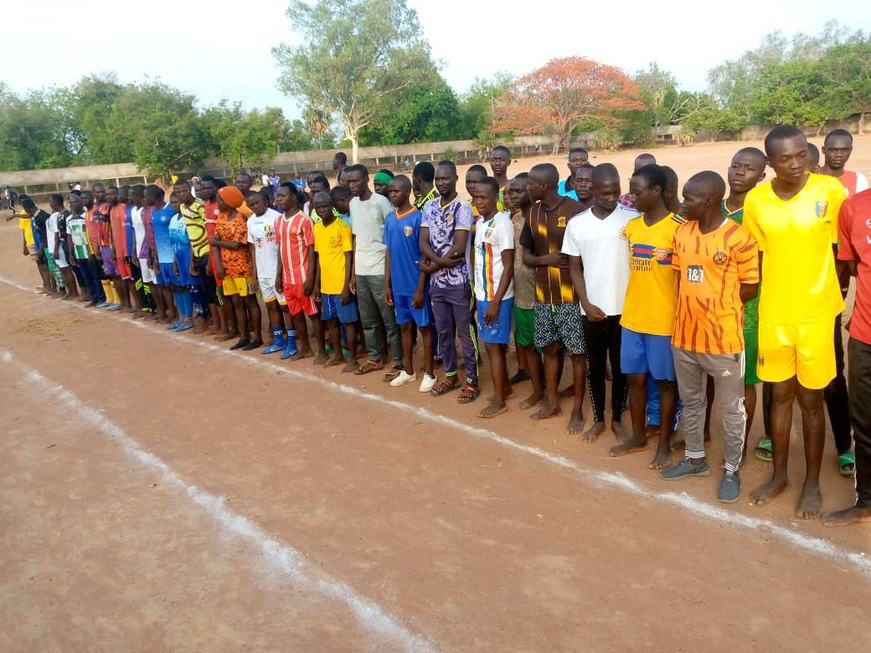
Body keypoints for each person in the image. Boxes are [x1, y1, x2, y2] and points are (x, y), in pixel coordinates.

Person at [743, 125, 847, 520]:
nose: (795, 164)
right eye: (785, 158)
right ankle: (780, 475)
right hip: (775, 313)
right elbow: (755, 256)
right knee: (781, 396)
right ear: (769, 163)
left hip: (817, 315)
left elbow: (843, 249)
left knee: (811, 400)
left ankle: (812, 484)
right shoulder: (756, 201)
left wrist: (827, 290)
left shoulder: (830, 193)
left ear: (809, 153)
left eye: (801, 155)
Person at [660, 171, 759, 504]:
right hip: (684, 338)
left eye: (689, 198)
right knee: (693, 402)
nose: (683, 203)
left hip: (723, 341)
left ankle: (731, 468)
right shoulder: (682, 233)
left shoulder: (739, 238)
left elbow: (749, 288)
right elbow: (680, 278)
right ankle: (695, 458)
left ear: (710, 200)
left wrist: (717, 307)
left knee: (732, 410)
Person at [611, 164, 684, 468]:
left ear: (657, 191)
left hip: (664, 322)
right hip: (633, 319)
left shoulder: (679, 228)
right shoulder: (632, 227)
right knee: (635, 379)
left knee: (666, 383)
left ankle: (664, 443)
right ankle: (639, 435)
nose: (631, 197)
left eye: (637, 191)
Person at [564, 163, 636, 442]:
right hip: (591, 311)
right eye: (605, 192)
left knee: (621, 368)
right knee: (595, 367)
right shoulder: (578, 224)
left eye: (615, 191)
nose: (611, 197)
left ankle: (617, 418)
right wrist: (586, 302)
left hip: (625, 310)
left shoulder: (632, 219)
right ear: (592, 189)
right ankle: (598, 419)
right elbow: (573, 267)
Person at [519, 163, 586, 433]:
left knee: (578, 354)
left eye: (531, 184)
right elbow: (525, 257)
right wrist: (544, 260)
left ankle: (579, 410)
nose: (527, 188)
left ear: (544, 185)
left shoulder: (576, 212)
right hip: (543, 297)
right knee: (548, 348)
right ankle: (552, 402)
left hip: (571, 297)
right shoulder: (532, 213)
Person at [823, 186, 871, 526]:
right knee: (864, 423)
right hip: (864, 336)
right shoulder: (853, 207)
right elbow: (853, 267)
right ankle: (865, 500)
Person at [821, 129, 865, 476]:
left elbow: (850, 248)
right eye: (832, 149)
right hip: (803, 284)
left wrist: (845, 280)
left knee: (834, 364)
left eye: (844, 149)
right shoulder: (813, 184)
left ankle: (844, 443)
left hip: (837, 277)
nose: (838, 154)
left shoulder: (856, 185)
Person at [721, 147, 768, 458]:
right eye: (736, 165)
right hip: (706, 310)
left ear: (761, 177)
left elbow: (758, 271)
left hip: (745, 310)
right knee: (711, 377)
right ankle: (705, 437)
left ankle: (740, 443)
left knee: (743, 381)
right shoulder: (713, 206)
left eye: (748, 168)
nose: (739, 172)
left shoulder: (760, 214)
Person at [420, 160, 479, 403]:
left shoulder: (462, 207)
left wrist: (434, 265)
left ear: (455, 178)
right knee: (444, 332)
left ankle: (473, 381)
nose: (441, 182)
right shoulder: (429, 206)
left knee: (465, 334)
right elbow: (423, 242)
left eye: (445, 178)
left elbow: (459, 246)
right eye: (437, 179)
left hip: (459, 282)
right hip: (438, 284)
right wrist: (438, 265)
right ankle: (451, 374)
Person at [344, 164, 403, 377]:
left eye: (355, 181)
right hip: (361, 271)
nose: (351, 185)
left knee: (389, 320)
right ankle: (374, 358)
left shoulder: (382, 202)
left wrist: (389, 277)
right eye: (349, 181)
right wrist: (352, 275)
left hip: (379, 269)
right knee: (367, 320)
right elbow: (357, 238)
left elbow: (391, 237)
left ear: (366, 180)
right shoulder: (353, 203)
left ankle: (398, 362)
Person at [382, 175, 436, 391]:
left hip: (416, 286)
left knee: (424, 329)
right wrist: (388, 284)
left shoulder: (418, 218)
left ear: (407, 192)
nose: (392, 194)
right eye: (390, 191)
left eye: (396, 191)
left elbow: (426, 256)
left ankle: (430, 373)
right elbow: (388, 252)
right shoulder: (390, 218)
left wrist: (421, 288)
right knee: (404, 327)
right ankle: (408, 371)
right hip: (398, 287)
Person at [471, 177, 515, 418]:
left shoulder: (502, 225)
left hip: (496, 297)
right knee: (492, 346)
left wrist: (496, 302)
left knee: (493, 347)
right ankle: (504, 388)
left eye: (484, 197)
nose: (480, 202)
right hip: (484, 295)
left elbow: (508, 266)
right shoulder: (481, 222)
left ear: (494, 199)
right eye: (476, 197)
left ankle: (499, 400)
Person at [312, 191, 360, 372]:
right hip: (326, 286)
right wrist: (317, 284)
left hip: (341, 285)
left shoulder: (342, 227)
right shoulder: (317, 228)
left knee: (348, 322)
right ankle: (338, 355)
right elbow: (318, 257)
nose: (322, 210)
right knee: (331, 321)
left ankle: (353, 359)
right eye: (318, 207)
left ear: (332, 205)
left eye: (325, 206)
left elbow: (349, 257)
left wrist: (347, 286)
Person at [274, 181, 321, 361]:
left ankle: (321, 350)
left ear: (293, 197)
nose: (279, 200)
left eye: (283, 196)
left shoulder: (304, 220)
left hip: (302, 277)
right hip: (288, 278)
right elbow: (280, 248)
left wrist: (310, 278)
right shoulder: (279, 221)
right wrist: (279, 275)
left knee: (313, 315)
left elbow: (311, 250)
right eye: (277, 196)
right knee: (295, 315)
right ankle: (306, 348)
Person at [212, 186, 262, 351]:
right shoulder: (221, 217)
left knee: (249, 301)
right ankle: (244, 336)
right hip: (227, 268)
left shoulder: (241, 218)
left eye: (220, 199)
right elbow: (218, 243)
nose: (217, 202)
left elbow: (236, 244)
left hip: (242, 267)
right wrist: (218, 265)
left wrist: (217, 242)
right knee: (237, 303)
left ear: (228, 201)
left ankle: (257, 337)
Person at [506, 173, 542, 404]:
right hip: (521, 294)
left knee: (546, 348)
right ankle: (537, 389)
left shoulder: (541, 219)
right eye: (510, 192)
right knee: (527, 344)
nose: (513, 196)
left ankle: (547, 388)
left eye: (518, 191)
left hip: (541, 296)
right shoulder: (513, 222)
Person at [245, 189, 288, 355]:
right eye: (251, 205)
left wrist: (280, 272)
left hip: (277, 270)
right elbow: (253, 249)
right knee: (270, 306)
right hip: (262, 272)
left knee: (285, 308)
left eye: (258, 203)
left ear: (265, 201)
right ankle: (278, 341)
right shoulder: (250, 222)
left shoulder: (276, 217)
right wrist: (254, 275)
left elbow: (282, 247)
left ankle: (291, 341)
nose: (255, 206)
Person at [176, 180, 217, 333]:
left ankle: (220, 324)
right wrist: (192, 258)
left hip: (207, 252)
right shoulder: (181, 207)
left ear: (190, 190)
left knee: (214, 290)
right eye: (179, 192)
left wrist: (209, 255)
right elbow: (192, 234)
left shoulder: (200, 205)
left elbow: (208, 230)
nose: (182, 194)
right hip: (197, 252)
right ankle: (211, 321)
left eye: (184, 191)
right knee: (205, 290)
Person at [168, 192, 205, 333]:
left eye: (176, 202)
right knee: (186, 287)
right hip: (178, 258)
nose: (174, 205)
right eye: (172, 203)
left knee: (195, 288)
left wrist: (191, 261)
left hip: (188, 257)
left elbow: (192, 242)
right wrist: (175, 261)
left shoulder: (189, 219)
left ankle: (198, 317)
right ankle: (183, 317)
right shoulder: (173, 219)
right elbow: (173, 242)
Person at [144, 184, 179, 325]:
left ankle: (182, 315)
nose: (145, 198)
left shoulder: (170, 210)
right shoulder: (154, 213)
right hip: (160, 256)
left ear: (154, 196)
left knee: (177, 286)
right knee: (164, 286)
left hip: (172, 256)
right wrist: (155, 257)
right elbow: (156, 237)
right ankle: (172, 313)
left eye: (147, 196)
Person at [67, 192, 103, 306]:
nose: (74, 204)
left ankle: (101, 297)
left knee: (95, 275)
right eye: (71, 202)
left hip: (90, 251)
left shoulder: (86, 216)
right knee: (86, 276)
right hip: (79, 252)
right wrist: (71, 253)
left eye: (76, 202)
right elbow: (69, 236)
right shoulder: (69, 219)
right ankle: (93, 298)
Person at [21, 197, 61, 296]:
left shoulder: (41, 217)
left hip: (46, 246)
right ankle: (50, 287)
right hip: (42, 245)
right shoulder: (36, 216)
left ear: (26, 208)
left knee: (51, 267)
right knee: (46, 266)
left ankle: (55, 288)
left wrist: (41, 248)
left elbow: (46, 234)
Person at [821, 129, 869, 196]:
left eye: (844, 150)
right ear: (823, 150)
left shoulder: (858, 180)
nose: (839, 155)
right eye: (833, 150)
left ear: (851, 150)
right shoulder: (809, 178)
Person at [47, 194, 77, 299]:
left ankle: (74, 292)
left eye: (51, 201)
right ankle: (70, 292)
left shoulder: (66, 215)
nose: (50, 204)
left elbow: (60, 233)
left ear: (55, 202)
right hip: (62, 244)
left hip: (64, 245)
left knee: (67, 270)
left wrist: (56, 249)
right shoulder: (59, 215)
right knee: (63, 270)